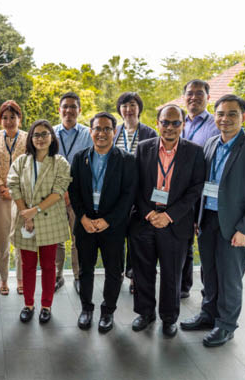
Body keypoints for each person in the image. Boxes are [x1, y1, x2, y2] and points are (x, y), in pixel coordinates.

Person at [180, 95, 245, 347]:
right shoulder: (211, 144)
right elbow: (202, 184)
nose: (225, 119)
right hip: (208, 219)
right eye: (220, 114)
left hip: (236, 225)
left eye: (232, 114)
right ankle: (208, 315)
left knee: (230, 277)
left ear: (243, 116)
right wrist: (198, 217)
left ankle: (226, 325)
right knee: (208, 273)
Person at [130, 104, 205, 338]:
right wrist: (149, 213)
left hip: (176, 223)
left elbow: (195, 189)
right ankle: (145, 313)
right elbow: (135, 185)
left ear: (183, 125)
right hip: (145, 221)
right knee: (143, 271)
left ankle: (169, 318)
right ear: (157, 123)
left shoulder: (194, 152)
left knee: (172, 274)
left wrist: (169, 215)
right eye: (165, 122)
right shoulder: (142, 148)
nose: (170, 127)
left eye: (175, 123)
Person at [70, 112, 137, 331]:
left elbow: (129, 195)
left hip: (113, 227)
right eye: (97, 128)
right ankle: (86, 309)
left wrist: (108, 220)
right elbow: (74, 191)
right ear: (90, 132)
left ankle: (108, 312)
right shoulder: (80, 158)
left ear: (114, 132)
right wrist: (82, 217)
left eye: (107, 129)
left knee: (113, 271)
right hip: (86, 224)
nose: (101, 133)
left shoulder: (127, 160)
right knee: (85, 270)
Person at [7, 120, 71, 324]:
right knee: (27, 265)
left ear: (52, 137)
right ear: (30, 139)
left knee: (49, 265)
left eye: (45, 134)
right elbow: (13, 186)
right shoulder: (21, 161)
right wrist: (26, 214)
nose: (40, 138)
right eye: (36, 135)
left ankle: (46, 305)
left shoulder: (60, 162)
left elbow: (59, 191)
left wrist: (34, 211)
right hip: (26, 221)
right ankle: (28, 304)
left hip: (49, 219)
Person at [179, 79, 221, 298]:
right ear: (184, 97)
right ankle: (184, 286)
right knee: (183, 239)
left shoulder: (216, 125)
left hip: (205, 194)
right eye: (189, 93)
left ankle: (210, 294)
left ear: (208, 97)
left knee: (206, 244)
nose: (193, 97)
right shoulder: (178, 122)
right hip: (180, 194)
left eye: (199, 93)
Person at [113, 92, 158, 295]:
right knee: (117, 236)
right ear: (119, 110)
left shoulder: (150, 133)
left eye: (132, 105)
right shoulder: (114, 132)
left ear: (139, 108)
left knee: (136, 239)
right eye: (124, 106)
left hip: (140, 196)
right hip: (116, 194)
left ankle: (134, 277)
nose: (128, 109)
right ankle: (116, 274)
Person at [0, 100, 27, 295]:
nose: (9, 121)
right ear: (0, 120)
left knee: (21, 238)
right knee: (1, 240)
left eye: (13, 117)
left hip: (21, 195)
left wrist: (14, 189)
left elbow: (29, 165)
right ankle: (3, 279)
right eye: (5, 118)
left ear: (20, 118)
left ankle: (21, 279)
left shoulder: (28, 138)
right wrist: (1, 187)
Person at [53, 92, 93, 294]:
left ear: (79, 110)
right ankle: (57, 276)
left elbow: (91, 166)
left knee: (79, 239)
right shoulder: (50, 133)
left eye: (73, 106)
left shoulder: (88, 134)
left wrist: (71, 191)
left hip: (79, 196)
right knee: (57, 239)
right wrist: (60, 191)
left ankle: (78, 276)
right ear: (59, 110)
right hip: (54, 196)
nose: (69, 110)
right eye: (65, 106)